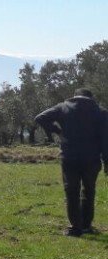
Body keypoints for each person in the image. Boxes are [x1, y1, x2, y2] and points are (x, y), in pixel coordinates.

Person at [34, 87, 108, 236]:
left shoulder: (63, 107)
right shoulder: (101, 112)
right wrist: (106, 161)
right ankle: (86, 225)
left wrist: (57, 131)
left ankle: (76, 228)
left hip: (69, 157)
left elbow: (40, 118)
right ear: (91, 98)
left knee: (71, 191)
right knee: (89, 190)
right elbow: (105, 139)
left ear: (75, 96)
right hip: (91, 159)